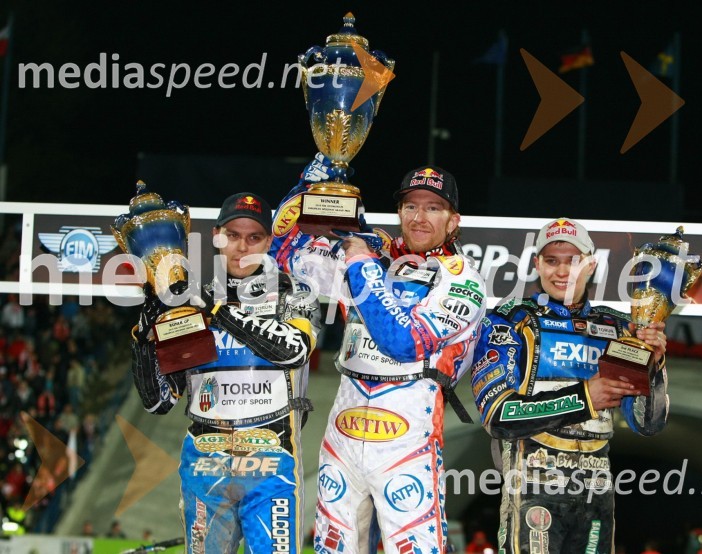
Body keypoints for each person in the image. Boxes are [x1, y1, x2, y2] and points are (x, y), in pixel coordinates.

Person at [271, 162, 486, 553]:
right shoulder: (373, 255)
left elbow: (402, 342)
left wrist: (358, 262)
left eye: (433, 208)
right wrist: (313, 181)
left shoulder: (463, 278)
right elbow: (283, 250)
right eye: (411, 206)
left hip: (408, 435)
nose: (420, 217)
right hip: (343, 428)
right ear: (400, 211)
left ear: (454, 220)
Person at [130, 192, 320, 553]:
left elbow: (293, 350)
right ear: (217, 236)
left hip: (272, 465)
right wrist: (143, 334)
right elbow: (159, 402)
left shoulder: (293, 293)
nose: (242, 247)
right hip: (205, 464)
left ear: (269, 241)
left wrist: (216, 308)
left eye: (254, 238)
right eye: (233, 235)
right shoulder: (190, 302)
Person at [472, 217, 669, 554]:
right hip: (533, 486)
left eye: (573, 260)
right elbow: (497, 415)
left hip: (597, 494)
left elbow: (647, 423)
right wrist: (585, 398)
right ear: (537, 265)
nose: (562, 272)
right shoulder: (510, 319)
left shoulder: (619, 327)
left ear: (591, 264)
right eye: (552, 261)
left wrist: (656, 367)